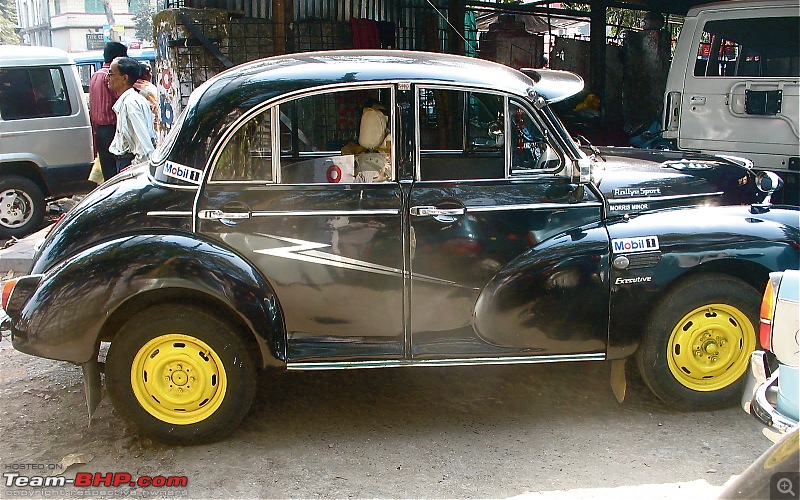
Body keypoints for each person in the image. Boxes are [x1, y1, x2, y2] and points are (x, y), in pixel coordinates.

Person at [107, 57, 156, 173]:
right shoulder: (132, 100)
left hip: (130, 162)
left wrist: (134, 169)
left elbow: (144, 146)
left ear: (124, 78)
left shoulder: (131, 104)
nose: (107, 77)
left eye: (111, 74)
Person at [89, 42, 127, 181]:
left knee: (107, 172)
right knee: (118, 173)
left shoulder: (96, 75)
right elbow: (122, 101)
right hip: (112, 129)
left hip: (99, 130)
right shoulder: (111, 77)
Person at [133, 61, 158, 134]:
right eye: (150, 73)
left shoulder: (130, 87)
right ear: (145, 75)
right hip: (151, 124)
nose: (151, 75)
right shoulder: (150, 88)